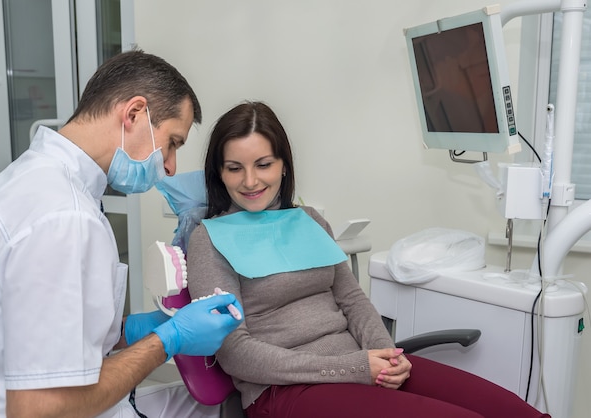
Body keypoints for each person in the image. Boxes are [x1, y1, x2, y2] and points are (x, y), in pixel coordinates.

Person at [185, 101, 550, 418]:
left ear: (283, 165)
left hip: (362, 365)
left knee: (513, 412)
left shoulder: (309, 221)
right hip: (284, 391)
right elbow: (237, 354)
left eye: (263, 164)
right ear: (219, 172)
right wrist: (354, 367)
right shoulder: (209, 241)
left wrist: (386, 356)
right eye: (234, 168)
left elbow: (352, 300)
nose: (250, 181)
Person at [0, 49, 244, 418]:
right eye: (173, 142)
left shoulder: (43, 182)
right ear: (133, 114)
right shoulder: (61, 215)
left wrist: (127, 331)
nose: (172, 167)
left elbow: (49, 331)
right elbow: (39, 409)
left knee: (218, 406)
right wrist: (168, 340)